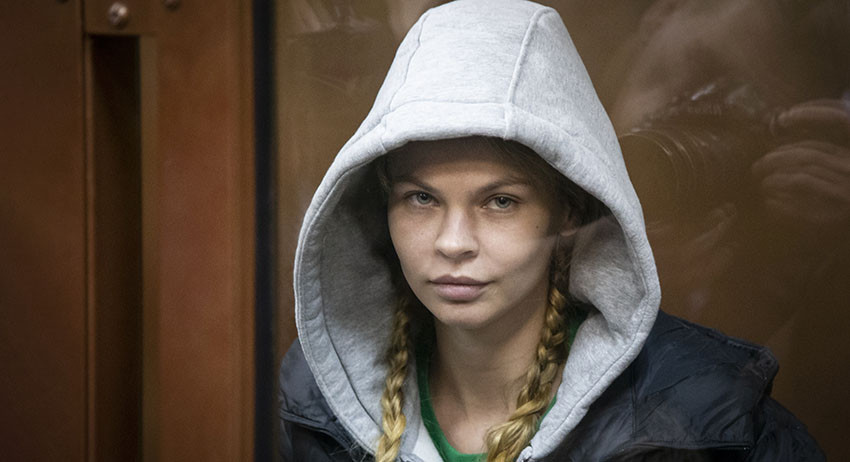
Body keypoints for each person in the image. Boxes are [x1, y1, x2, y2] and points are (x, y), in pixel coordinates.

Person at [278, 1, 823, 460]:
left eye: (500, 202)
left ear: (568, 213)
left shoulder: (705, 417)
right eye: (421, 199)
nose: (453, 242)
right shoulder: (320, 398)